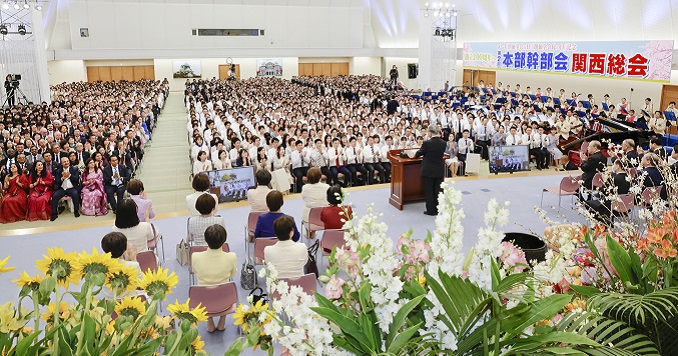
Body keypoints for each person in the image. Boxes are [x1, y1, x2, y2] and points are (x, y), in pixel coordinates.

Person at [191, 224, 237, 332]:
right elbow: (232, 275)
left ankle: (210, 322)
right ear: (224, 240)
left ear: (206, 240)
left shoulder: (195, 256)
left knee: (205, 287)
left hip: (203, 303)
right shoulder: (231, 256)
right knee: (225, 285)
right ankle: (222, 321)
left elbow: (194, 271)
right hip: (226, 302)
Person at [583, 160, 630, 225]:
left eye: (613, 164)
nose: (612, 166)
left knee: (587, 203)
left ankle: (604, 223)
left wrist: (605, 181)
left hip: (613, 203)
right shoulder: (629, 178)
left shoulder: (613, 179)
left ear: (618, 166)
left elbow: (603, 192)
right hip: (627, 203)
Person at [100, 232, 144, 299]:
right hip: (130, 302)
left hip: (109, 304)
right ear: (125, 247)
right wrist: (134, 259)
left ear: (103, 248)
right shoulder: (134, 265)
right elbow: (141, 285)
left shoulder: (101, 267)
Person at [416, 125, 447, 216]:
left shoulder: (427, 143)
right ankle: (438, 208)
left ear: (430, 132)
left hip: (429, 170)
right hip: (439, 169)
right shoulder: (443, 143)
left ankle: (431, 210)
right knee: (438, 190)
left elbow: (419, 154)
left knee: (429, 190)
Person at [51, 156, 81, 221]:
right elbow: (56, 181)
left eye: (67, 161)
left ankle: (76, 211)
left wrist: (69, 176)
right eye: (64, 162)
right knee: (55, 196)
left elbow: (76, 179)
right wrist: (62, 178)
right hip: (62, 189)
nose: (66, 163)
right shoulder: (58, 171)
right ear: (61, 163)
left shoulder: (74, 169)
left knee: (75, 194)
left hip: (71, 188)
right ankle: (54, 213)